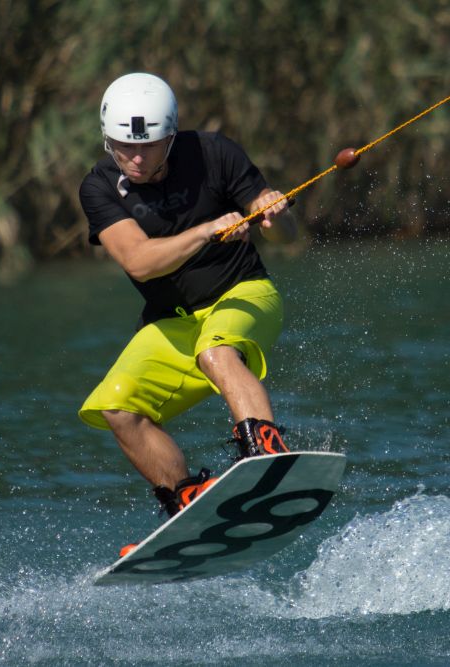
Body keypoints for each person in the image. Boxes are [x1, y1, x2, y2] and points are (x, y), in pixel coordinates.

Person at [77, 72, 298, 525]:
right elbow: (139, 261)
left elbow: (289, 233)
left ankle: (266, 457)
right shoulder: (98, 187)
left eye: (149, 146)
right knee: (116, 408)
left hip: (244, 293)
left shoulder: (214, 153)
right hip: (173, 321)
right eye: (123, 146)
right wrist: (206, 230)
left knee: (216, 352)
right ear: (107, 139)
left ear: (171, 137)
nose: (135, 158)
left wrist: (276, 209)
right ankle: (187, 501)